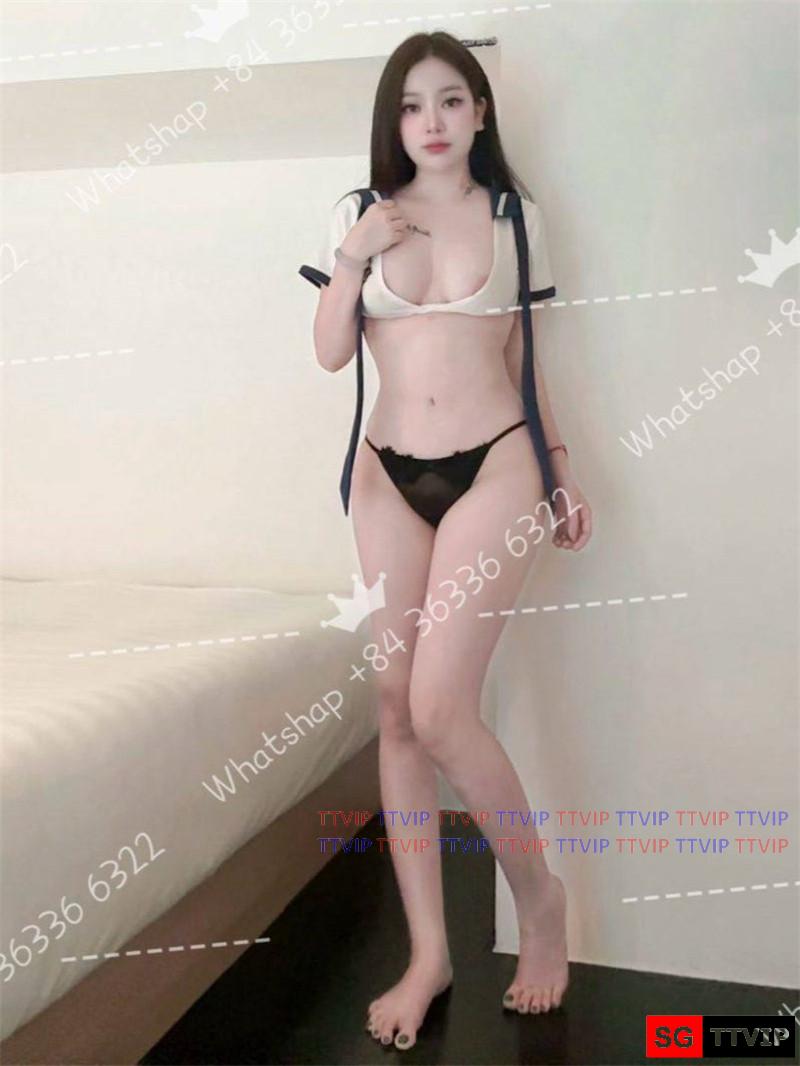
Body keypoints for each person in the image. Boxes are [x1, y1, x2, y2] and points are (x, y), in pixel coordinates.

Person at [300, 30, 592, 1053]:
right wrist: (351, 257)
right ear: (394, 120)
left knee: (439, 707)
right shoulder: (361, 214)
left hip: (495, 464)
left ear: (479, 113)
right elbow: (330, 354)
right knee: (395, 708)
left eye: (451, 101)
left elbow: (525, 356)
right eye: (411, 105)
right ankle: (428, 954)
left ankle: (539, 900)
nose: (431, 121)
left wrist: (558, 464)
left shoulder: (515, 217)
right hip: (387, 476)